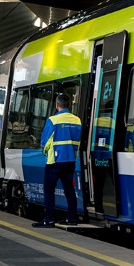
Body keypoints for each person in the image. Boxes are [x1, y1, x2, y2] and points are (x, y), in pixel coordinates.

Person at [34, 91, 81, 227]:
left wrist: (44, 151)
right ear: (69, 105)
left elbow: (45, 140)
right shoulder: (77, 120)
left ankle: (49, 219)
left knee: (49, 190)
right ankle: (72, 218)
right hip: (70, 160)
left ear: (57, 105)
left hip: (54, 161)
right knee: (69, 190)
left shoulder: (53, 120)